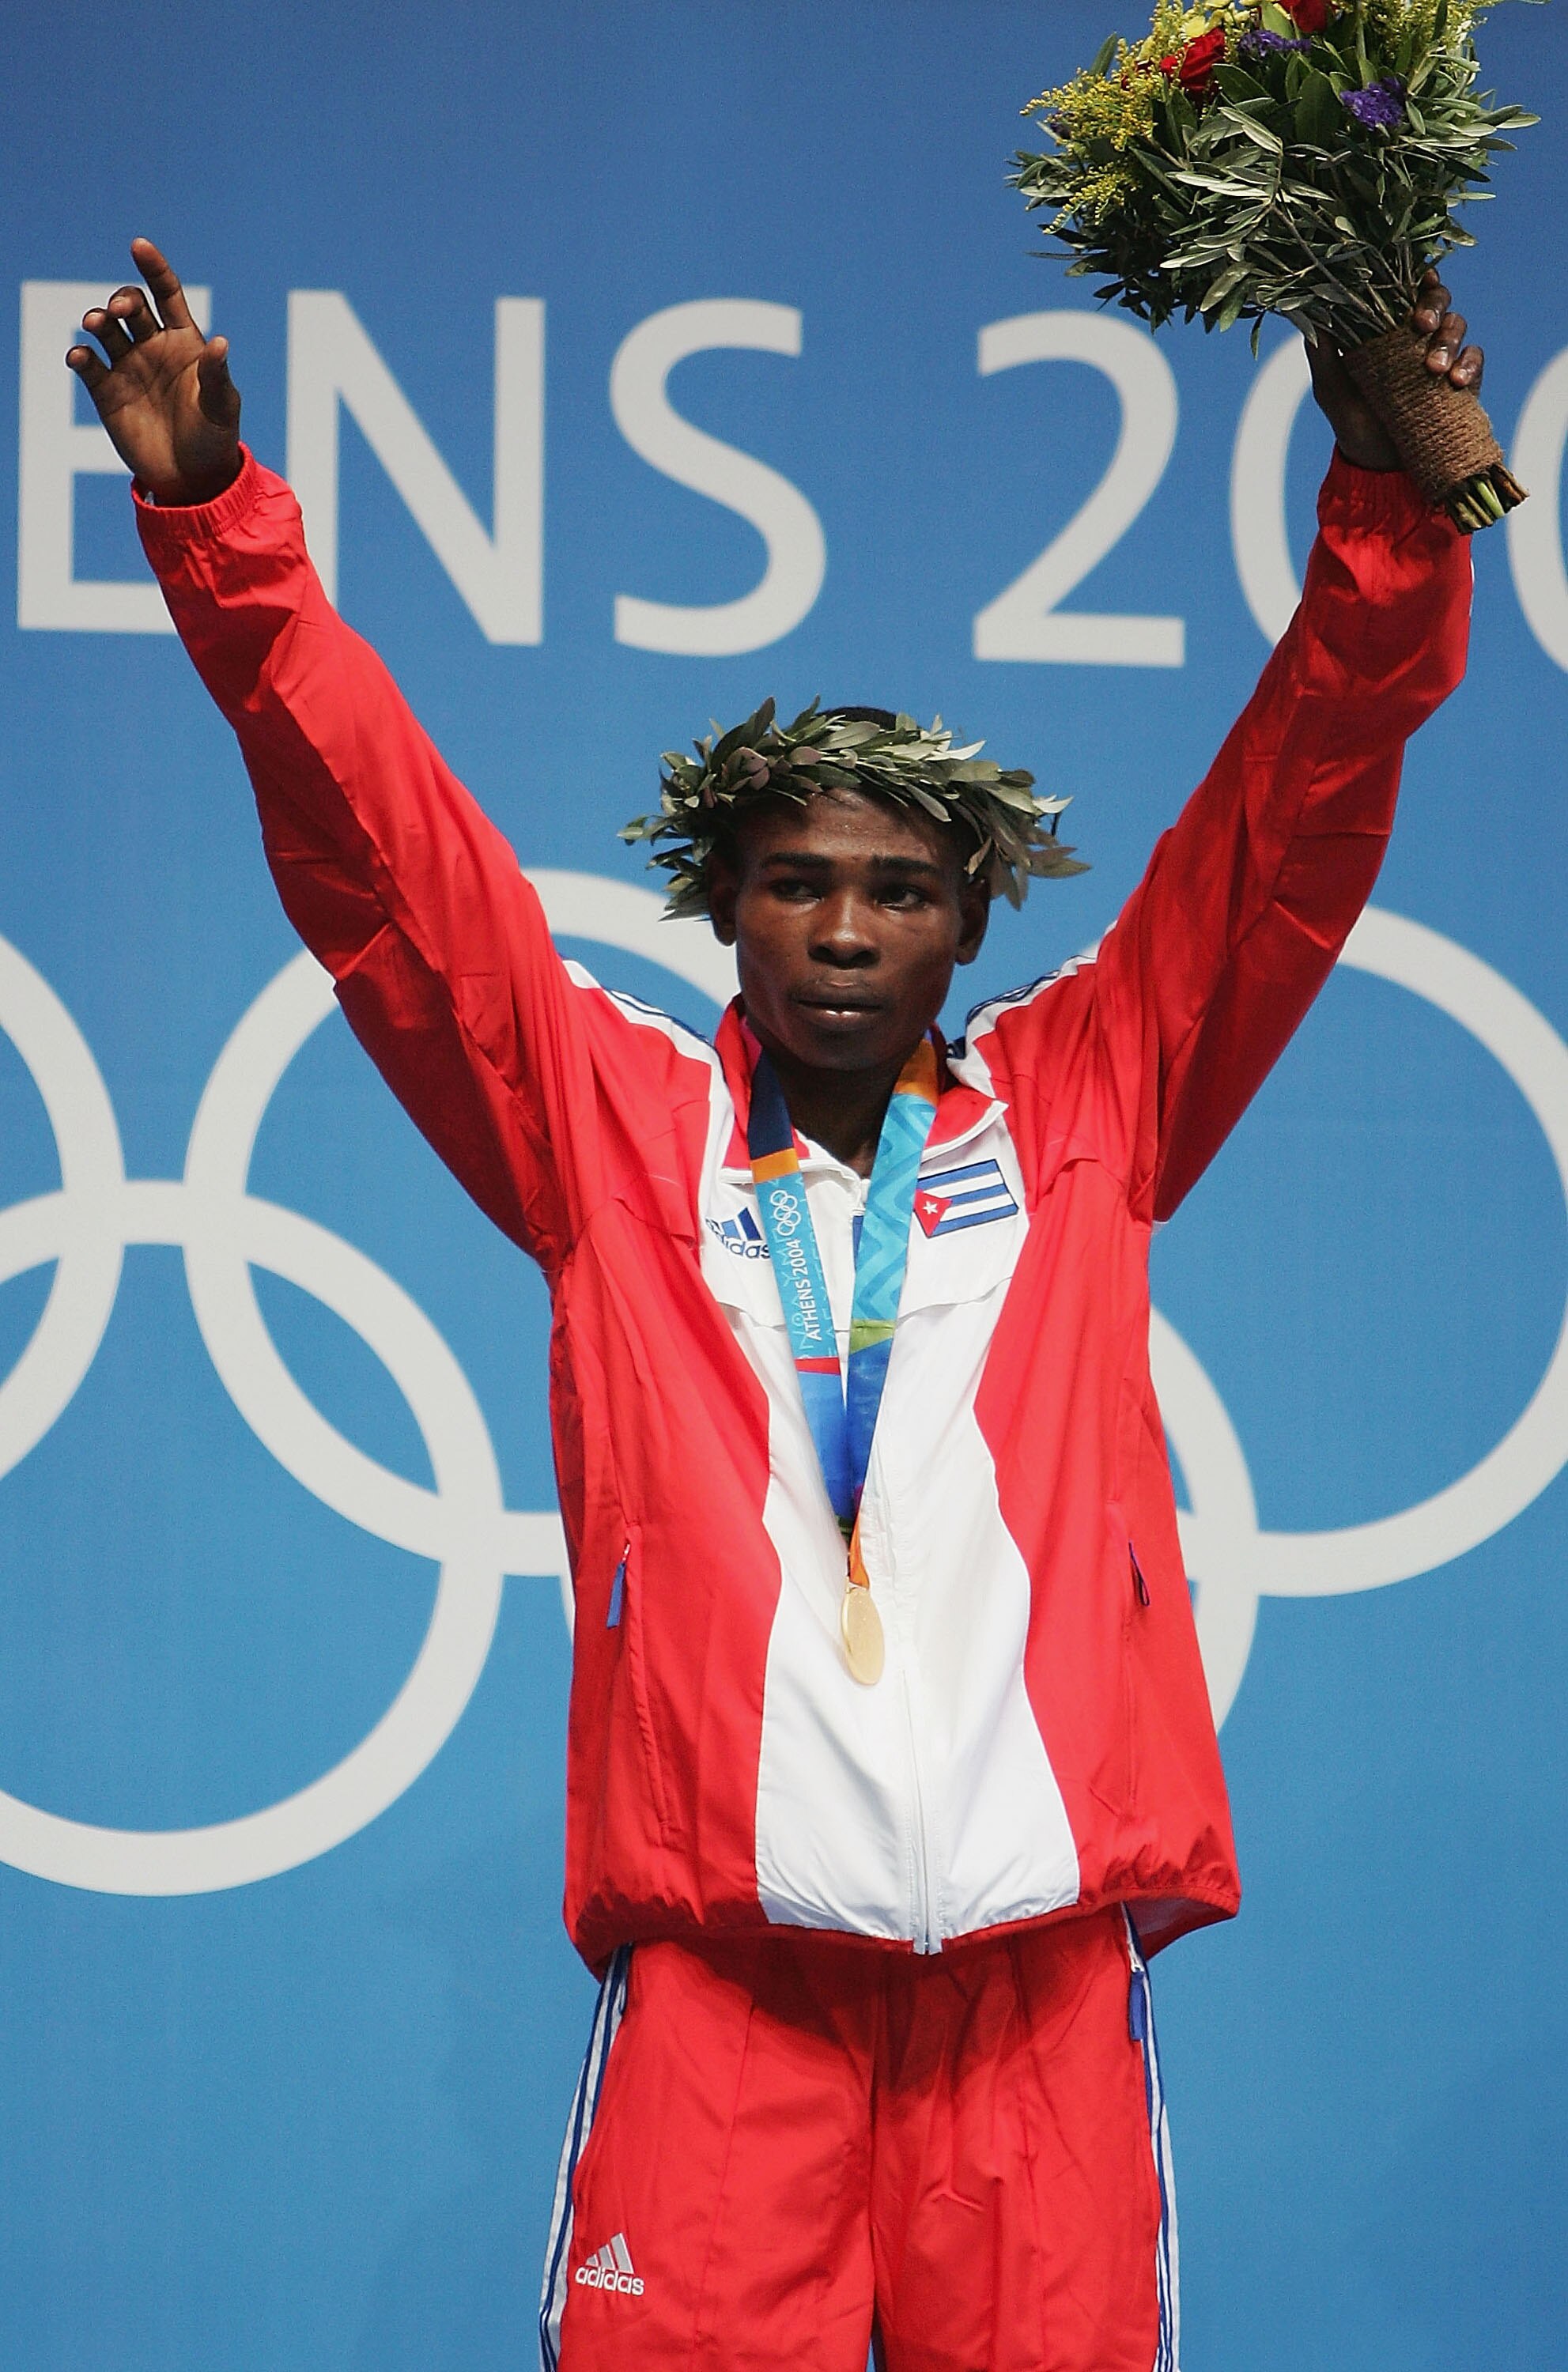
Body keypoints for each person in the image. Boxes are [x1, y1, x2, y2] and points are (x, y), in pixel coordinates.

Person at [69, 239, 1476, 2372]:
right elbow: (385, 862)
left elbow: (1298, 819)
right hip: (734, 2005)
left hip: (1038, 2000)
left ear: (967, 921)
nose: (843, 929)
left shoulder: (1097, 1093)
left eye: (898, 891)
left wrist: (1383, 517)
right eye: (796, 883)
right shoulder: (607, 1133)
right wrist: (221, 538)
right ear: (718, 910)